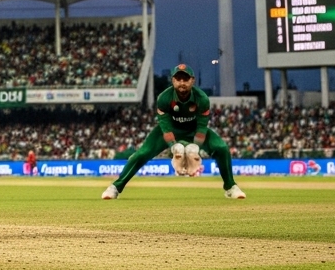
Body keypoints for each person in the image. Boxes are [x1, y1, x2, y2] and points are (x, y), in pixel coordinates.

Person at [101, 64, 245, 200]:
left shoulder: (202, 99)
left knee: (222, 148)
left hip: (194, 130)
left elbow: (202, 126)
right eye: (178, 79)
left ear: (192, 81)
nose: (182, 82)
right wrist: (173, 145)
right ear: (173, 80)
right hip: (170, 130)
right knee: (141, 154)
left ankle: (230, 186)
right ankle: (116, 187)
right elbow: (165, 126)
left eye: (186, 79)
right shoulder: (164, 98)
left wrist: (195, 147)